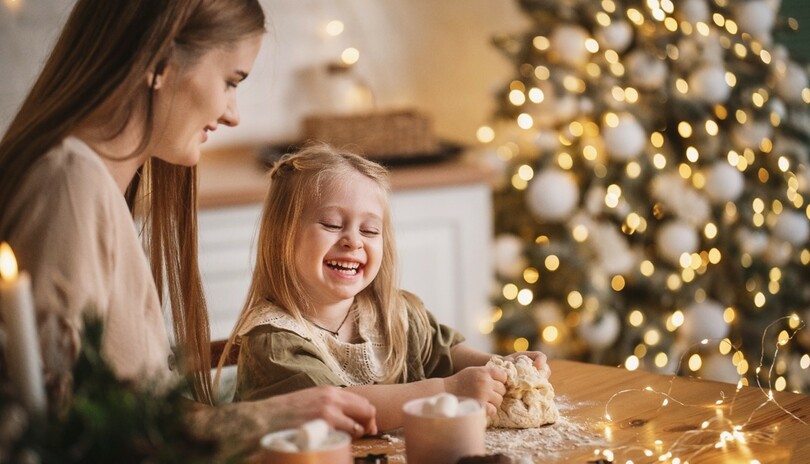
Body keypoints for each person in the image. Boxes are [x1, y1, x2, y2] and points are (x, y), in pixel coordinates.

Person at [0, 0, 376, 445]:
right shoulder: (70, 183)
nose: (233, 114)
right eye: (230, 82)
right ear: (160, 63)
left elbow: (133, 407)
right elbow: (70, 432)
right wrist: (277, 413)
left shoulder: (92, 185)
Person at [227, 143, 549, 431]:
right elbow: (339, 410)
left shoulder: (394, 312)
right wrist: (449, 392)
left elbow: (445, 353)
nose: (353, 240)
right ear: (283, 236)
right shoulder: (273, 342)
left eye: (369, 230)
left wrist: (501, 367)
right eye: (332, 224)